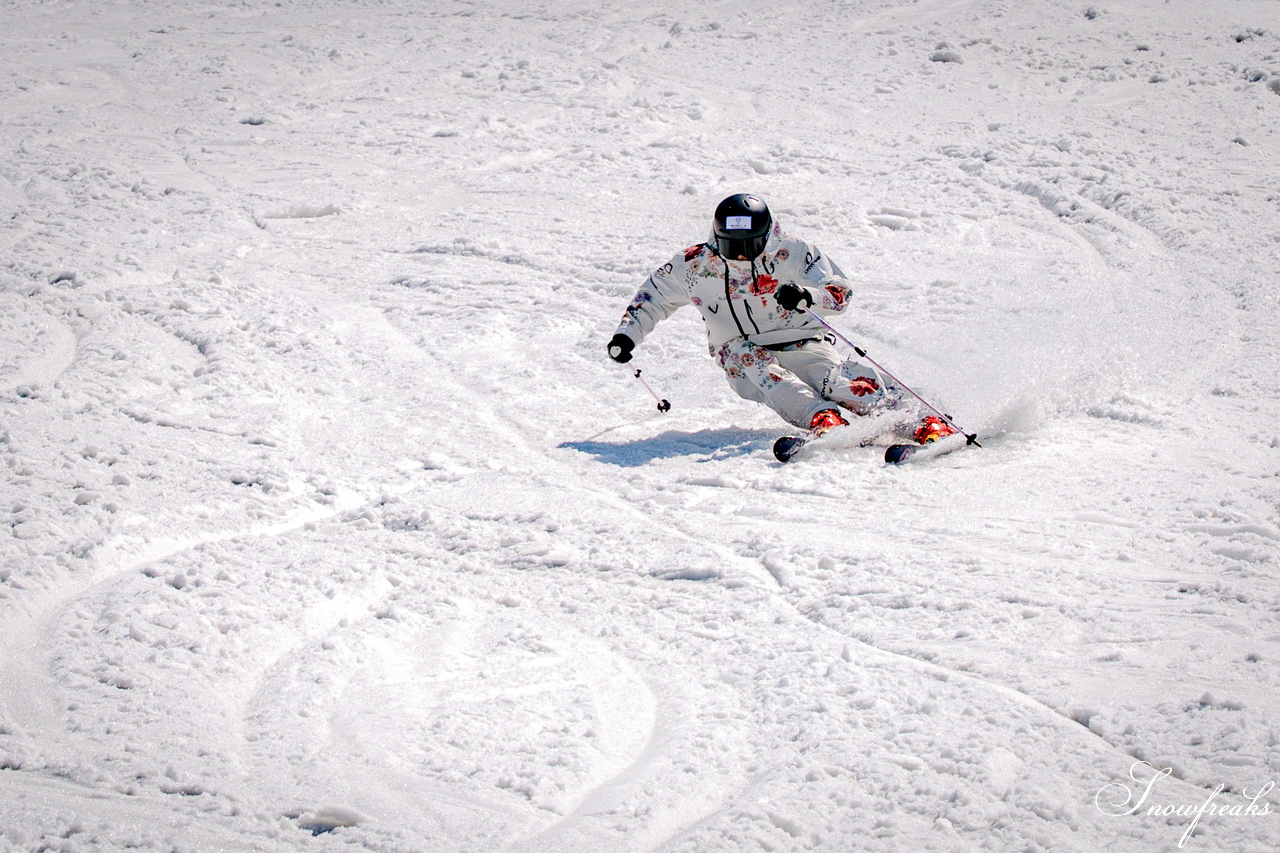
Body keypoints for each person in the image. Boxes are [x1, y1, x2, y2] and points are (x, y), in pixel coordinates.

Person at [607, 193, 955, 444]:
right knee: (755, 365)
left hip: (800, 337)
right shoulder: (694, 265)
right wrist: (626, 335)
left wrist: (808, 296)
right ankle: (821, 417)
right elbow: (651, 298)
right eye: (731, 246)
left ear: (766, 236)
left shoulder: (793, 252)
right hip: (739, 348)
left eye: (749, 245)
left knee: (835, 381)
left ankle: (919, 418)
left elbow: (840, 291)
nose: (740, 256)